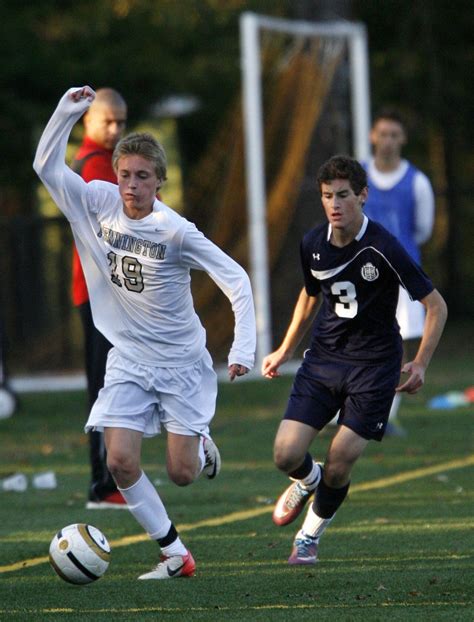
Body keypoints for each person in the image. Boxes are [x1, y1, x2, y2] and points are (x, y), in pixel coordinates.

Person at [34, 86, 256, 580]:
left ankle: (199, 446)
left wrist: (243, 347)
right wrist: (67, 112)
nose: (131, 185)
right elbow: (46, 167)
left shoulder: (175, 230)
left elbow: (236, 278)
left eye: (142, 177)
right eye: (125, 175)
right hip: (129, 357)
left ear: (160, 182)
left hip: (180, 363)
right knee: (119, 461)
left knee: (181, 474)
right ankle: (175, 553)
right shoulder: (95, 202)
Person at [261, 155, 447, 566]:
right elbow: (311, 293)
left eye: (343, 195)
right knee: (285, 455)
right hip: (324, 361)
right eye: (328, 196)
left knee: (341, 459)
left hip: (375, 368)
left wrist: (420, 363)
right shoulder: (312, 243)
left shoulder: (383, 246)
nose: (335, 204)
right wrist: (286, 348)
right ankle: (307, 478)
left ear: (363, 196)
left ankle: (308, 537)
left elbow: (436, 306)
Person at [71, 87, 129, 509]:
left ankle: (117, 477)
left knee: (117, 381)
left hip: (112, 293)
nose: (115, 129)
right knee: (103, 386)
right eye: (107, 121)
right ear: (87, 123)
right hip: (95, 293)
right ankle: (102, 484)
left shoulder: (113, 163)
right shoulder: (92, 165)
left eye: (121, 122)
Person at [363, 109, 435, 435]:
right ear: (372, 136)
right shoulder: (357, 176)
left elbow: (422, 229)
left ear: (402, 139)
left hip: (400, 276)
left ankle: (386, 414)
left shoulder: (417, 181)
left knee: (396, 342)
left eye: (394, 134)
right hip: (360, 272)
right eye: (383, 133)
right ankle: (344, 407)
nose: (388, 140)